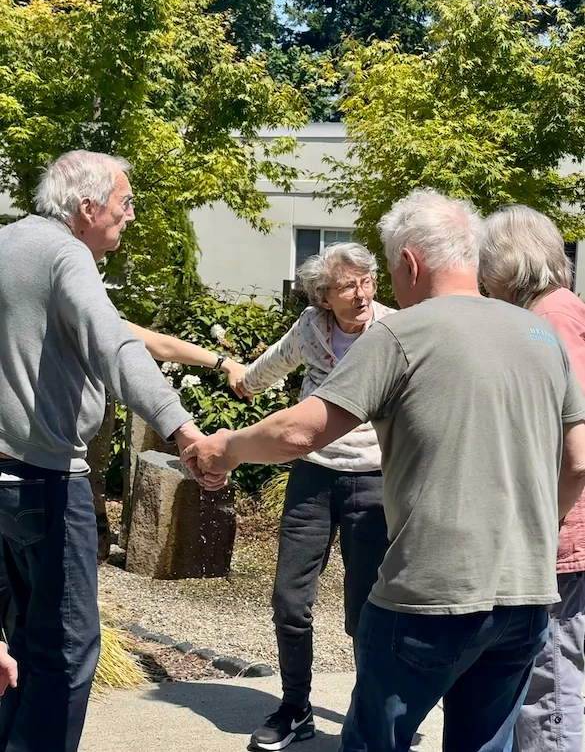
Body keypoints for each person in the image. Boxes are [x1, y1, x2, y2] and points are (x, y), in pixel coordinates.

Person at [184, 188, 585, 752]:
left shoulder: (401, 334)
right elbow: (578, 461)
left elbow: (300, 431)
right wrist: (537, 535)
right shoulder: (541, 335)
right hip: (526, 597)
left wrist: (224, 448)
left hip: (429, 597)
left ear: (410, 263)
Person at [0, 150, 220, 752]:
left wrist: (211, 361)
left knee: (17, 645)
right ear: (88, 207)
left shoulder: (8, 242)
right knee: (67, 651)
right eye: (125, 206)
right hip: (47, 481)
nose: (129, 218)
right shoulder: (67, 254)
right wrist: (182, 430)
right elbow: (116, 346)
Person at [233, 242, 393, 750]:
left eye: (367, 281)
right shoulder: (310, 328)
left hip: (373, 478)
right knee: (289, 599)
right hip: (313, 474)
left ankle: (371, 711)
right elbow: (273, 365)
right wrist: (243, 381)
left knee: (364, 610)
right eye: (349, 285)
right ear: (325, 296)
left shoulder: (392, 330)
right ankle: (295, 706)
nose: (362, 292)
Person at [479, 205, 585, 752]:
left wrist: (545, 521)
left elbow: (576, 449)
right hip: (562, 522)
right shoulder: (556, 311)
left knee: (551, 682)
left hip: (562, 529)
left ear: (508, 266)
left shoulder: (551, 320)